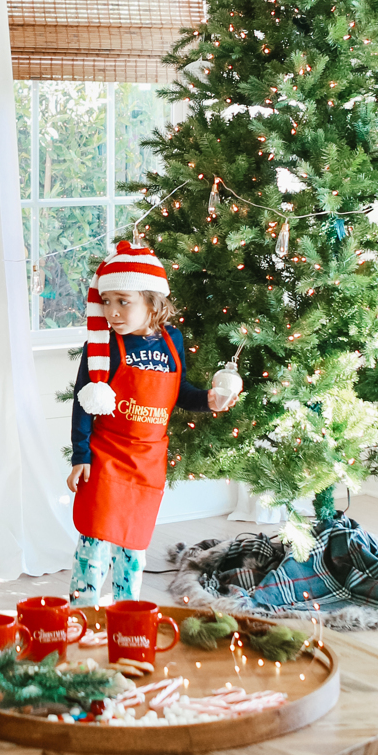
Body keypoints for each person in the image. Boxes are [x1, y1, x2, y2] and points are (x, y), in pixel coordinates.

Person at [67, 240, 239, 607]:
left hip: (147, 463)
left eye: (123, 301)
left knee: (133, 543)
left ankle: (128, 609)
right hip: (106, 455)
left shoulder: (171, 341)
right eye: (107, 300)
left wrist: (207, 401)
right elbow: (84, 402)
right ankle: (82, 611)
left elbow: (180, 394)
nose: (112, 311)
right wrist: (80, 455)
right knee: (94, 540)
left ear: (153, 301)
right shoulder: (105, 347)